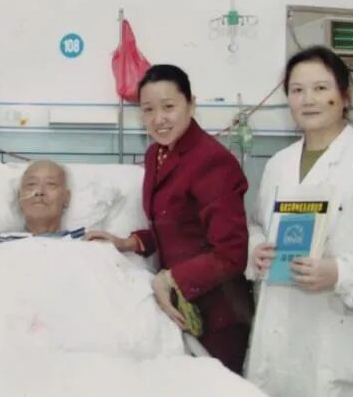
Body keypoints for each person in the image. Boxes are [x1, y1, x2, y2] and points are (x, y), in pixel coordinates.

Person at [246, 46, 353, 396]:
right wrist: (255, 249)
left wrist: (340, 273)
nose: (308, 99)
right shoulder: (278, 165)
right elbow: (257, 225)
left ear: (344, 97)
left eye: (320, 88)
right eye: (297, 90)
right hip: (279, 339)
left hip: (341, 344)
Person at [86, 64, 253, 373]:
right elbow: (176, 225)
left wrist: (169, 279)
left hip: (219, 312)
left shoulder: (213, 161)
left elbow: (231, 254)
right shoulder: (156, 155)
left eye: (168, 107)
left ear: (191, 104)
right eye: (148, 109)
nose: (158, 119)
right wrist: (128, 242)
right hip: (181, 304)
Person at [0, 160, 84, 256]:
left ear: (66, 198)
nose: (39, 191)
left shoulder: (84, 243)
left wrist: (95, 247)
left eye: (51, 184)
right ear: (19, 198)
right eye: (31, 184)